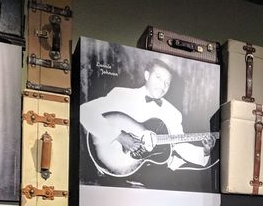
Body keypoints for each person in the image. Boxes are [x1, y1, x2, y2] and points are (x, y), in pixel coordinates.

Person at [80, 58, 216, 175]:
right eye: (158, 77)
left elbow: (180, 144)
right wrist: (119, 136)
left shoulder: (173, 113)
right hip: (116, 166)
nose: (163, 85)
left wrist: (205, 151)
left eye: (167, 82)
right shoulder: (122, 95)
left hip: (151, 174)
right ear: (147, 75)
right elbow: (85, 111)